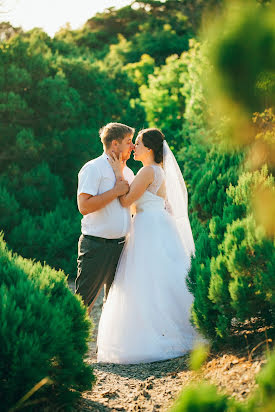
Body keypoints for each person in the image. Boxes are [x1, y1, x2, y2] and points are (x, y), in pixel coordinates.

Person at [97, 128, 204, 364]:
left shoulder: (147, 171)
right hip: (155, 224)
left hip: (149, 228)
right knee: (160, 280)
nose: (134, 146)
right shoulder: (157, 171)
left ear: (150, 149)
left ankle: (155, 337)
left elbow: (126, 201)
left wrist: (117, 173)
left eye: (138, 143)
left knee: (146, 280)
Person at [75, 122, 135, 314]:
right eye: (129, 141)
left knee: (115, 307)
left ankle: (105, 346)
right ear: (115, 144)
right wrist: (115, 191)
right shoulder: (93, 168)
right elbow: (84, 206)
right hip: (96, 246)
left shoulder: (127, 172)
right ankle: (74, 344)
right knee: (84, 302)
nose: (132, 146)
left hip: (122, 248)